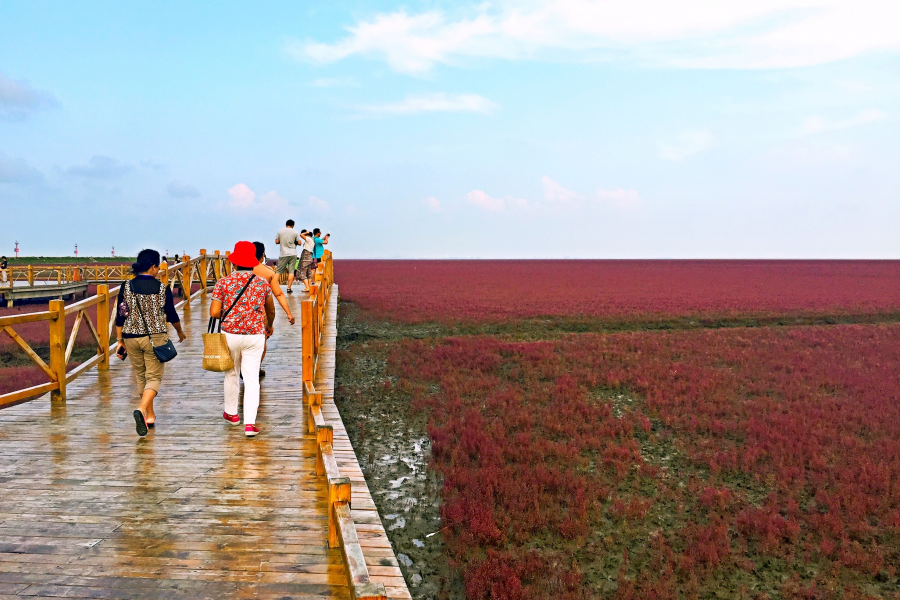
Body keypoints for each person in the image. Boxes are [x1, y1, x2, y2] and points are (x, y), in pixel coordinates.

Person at [115, 249, 187, 436]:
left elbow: (120, 315)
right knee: (154, 378)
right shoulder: (163, 288)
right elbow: (171, 314)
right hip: (155, 338)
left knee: (141, 376)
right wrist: (179, 331)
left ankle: (150, 414)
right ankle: (141, 409)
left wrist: (119, 340)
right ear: (154, 267)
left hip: (131, 336)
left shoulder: (126, 286)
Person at [210, 241, 275, 438]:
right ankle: (250, 424)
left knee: (231, 374)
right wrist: (268, 325)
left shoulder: (223, 283)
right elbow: (270, 310)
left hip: (230, 335)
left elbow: (214, 312)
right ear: (254, 262)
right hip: (254, 336)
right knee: (251, 378)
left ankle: (231, 414)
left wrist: (232, 316)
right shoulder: (262, 283)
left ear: (234, 263)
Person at [252, 241, 295, 377]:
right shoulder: (268, 272)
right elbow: (278, 294)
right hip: (260, 312)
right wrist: (289, 313)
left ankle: (244, 366)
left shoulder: (238, 270)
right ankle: (255, 367)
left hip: (238, 313)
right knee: (261, 340)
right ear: (262, 255)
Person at [275, 219, 301, 294]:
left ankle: (274, 285)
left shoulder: (280, 231)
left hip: (283, 254)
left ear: (286, 224)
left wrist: (282, 241)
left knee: (279, 271)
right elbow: (299, 243)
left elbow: (276, 241)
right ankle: (289, 288)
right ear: (293, 225)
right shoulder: (295, 232)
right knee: (291, 271)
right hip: (293, 253)